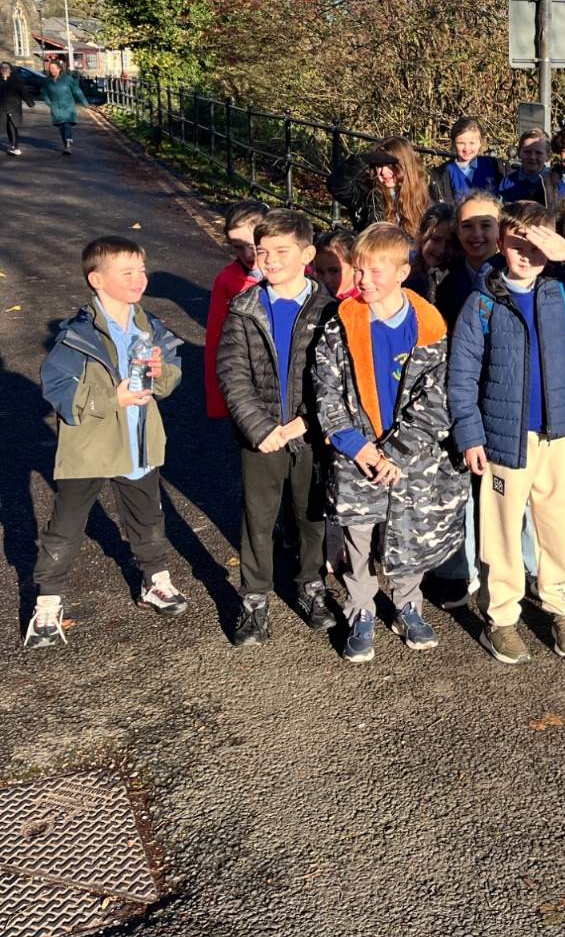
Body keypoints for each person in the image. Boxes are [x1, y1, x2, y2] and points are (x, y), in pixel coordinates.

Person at [447, 200, 565, 665]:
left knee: (558, 525)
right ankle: (501, 618)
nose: (526, 253)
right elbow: (462, 373)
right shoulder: (483, 301)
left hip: (560, 433)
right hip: (505, 436)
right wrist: (470, 434)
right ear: (500, 243)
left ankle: (561, 605)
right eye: (516, 243)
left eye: (536, 244)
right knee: (502, 531)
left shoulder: (561, 290)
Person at [314, 223, 468, 662]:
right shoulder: (340, 325)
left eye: (375, 271)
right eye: (358, 270)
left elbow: (436, 399)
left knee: (407, 533)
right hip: (357, 455)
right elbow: (326, 389)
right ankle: (361, 607)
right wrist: (355, 445)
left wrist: (395, 453)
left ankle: (407, 605)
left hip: (409, 459)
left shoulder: (430, 328)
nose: (363, 280)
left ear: (403, 272)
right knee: (359, 534)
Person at [26, 237, 187, 647]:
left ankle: (156, 580)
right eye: (127, 272)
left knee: (147, 517)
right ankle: (48, 601)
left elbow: (171, 375)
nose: (139, 279)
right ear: (96, 280)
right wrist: (110, 398)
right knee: (66, 524)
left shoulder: (152, 326)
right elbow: (57, 387)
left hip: (139, 443)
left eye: (141, 270)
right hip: (90, 448)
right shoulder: (77, 335)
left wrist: (162, 372)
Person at [216, 208, 338, 647]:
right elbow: (232, 373)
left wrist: (306, 422)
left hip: (309, 432)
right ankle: (254, 598)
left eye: (281, 251)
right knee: (258, 517)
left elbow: (335, 376)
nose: (269, 260)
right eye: (263, 251)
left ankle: (311, 584)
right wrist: (259, 426)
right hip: (262, 435)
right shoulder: (244, 308)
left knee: (311, 514)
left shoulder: (329, 309)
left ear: (306, 254)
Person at [204, 200, 270, 420]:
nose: (247, 254)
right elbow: (217, 338)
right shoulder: (227, 280)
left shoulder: (299, 272)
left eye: (252, 245)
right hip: (248, 376)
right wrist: (219, 399)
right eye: (238, 247)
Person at [428, 191, 503, 330]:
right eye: (467, 225)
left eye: (485, 225)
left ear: (500, 229)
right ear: (458, 232)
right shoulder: (440, 280)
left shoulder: (515, 275)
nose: (476, 234)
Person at [429, 116, 507, 205]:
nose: (466, 148)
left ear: (480, 143)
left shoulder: (495, 167)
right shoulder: (442, 175)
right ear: (453, 143)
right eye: (461, 143)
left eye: (472, 143)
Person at [406, 204, 457, 300]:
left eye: (450, 243)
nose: (442, 250)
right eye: (435, 240)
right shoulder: (404, 276)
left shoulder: (460, 282)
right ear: (420, 238)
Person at [40, 57, 90, 155]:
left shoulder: (67, 79)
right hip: (55, 107)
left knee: (66, 125)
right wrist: (49, 102)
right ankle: (66, 143)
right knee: (61, 127)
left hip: (67, 106)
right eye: (50, 69)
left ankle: (68, 143)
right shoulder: (47, 81)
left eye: (53, 68)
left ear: (59, 69)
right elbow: (44, 93)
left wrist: (85, 103)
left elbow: (77, 90)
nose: (52, 70)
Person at [498, 131, 551, 204]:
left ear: (548, 156)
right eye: (527, 152)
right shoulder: (508, 181)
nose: (532, 157)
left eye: (538, 153)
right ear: (519, 153)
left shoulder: (552, 185)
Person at [312, 228, 359, 299]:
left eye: (334, 271)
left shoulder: (367, 302)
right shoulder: (314, 299)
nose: (326, 280)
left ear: (354, 266)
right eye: (320, 272)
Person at [0, 61, 35, 155]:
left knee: (12, 126)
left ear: (10, 70)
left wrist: (30, 102)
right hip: (2, 108)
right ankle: (13, 146)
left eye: (6, 68)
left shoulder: (16, 80)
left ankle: (14, 147)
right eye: (2, 68)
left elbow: (23, 91)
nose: (4, 70)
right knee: (7, 126)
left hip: (13, 107)